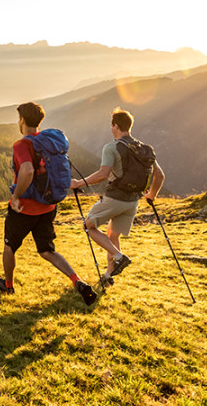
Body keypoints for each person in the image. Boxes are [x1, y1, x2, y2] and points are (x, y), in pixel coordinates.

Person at [0, 102, 96, 306]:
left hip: (25, 207)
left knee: (10, 246)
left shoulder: (21, 145)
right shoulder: (50, 142)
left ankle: (9, 285)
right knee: (47, 250)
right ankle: (78, 281)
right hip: (48, 206)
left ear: (22, 120)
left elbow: (28, 171)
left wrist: (15, 197)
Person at [70, 107, 165, 287]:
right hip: (133, 202)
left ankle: (119, 257)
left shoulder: (112, 147)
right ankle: (108, 276)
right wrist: (151, 195)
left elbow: (102, 174)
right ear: (129, 126)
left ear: (115, 126)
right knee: (112, 236)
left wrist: (77, 183)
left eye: (111, 125)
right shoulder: (144, 148)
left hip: (115, 198)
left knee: (89, 226)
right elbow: (159, 176)